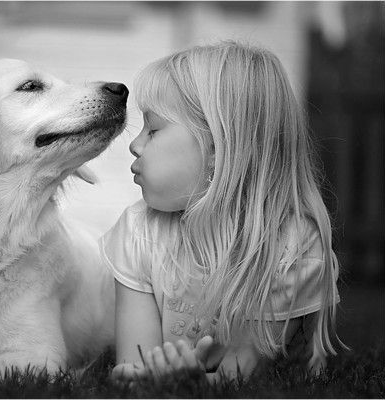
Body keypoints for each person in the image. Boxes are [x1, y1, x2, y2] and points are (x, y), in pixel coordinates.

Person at [100, 41, 343, 384]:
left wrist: (185, 383)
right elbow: (133, 367)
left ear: (216, 147)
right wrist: (148, 377)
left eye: (153, 130)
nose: (134, 144)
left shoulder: (292, 250)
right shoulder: (139, 230)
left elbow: (239, 378)